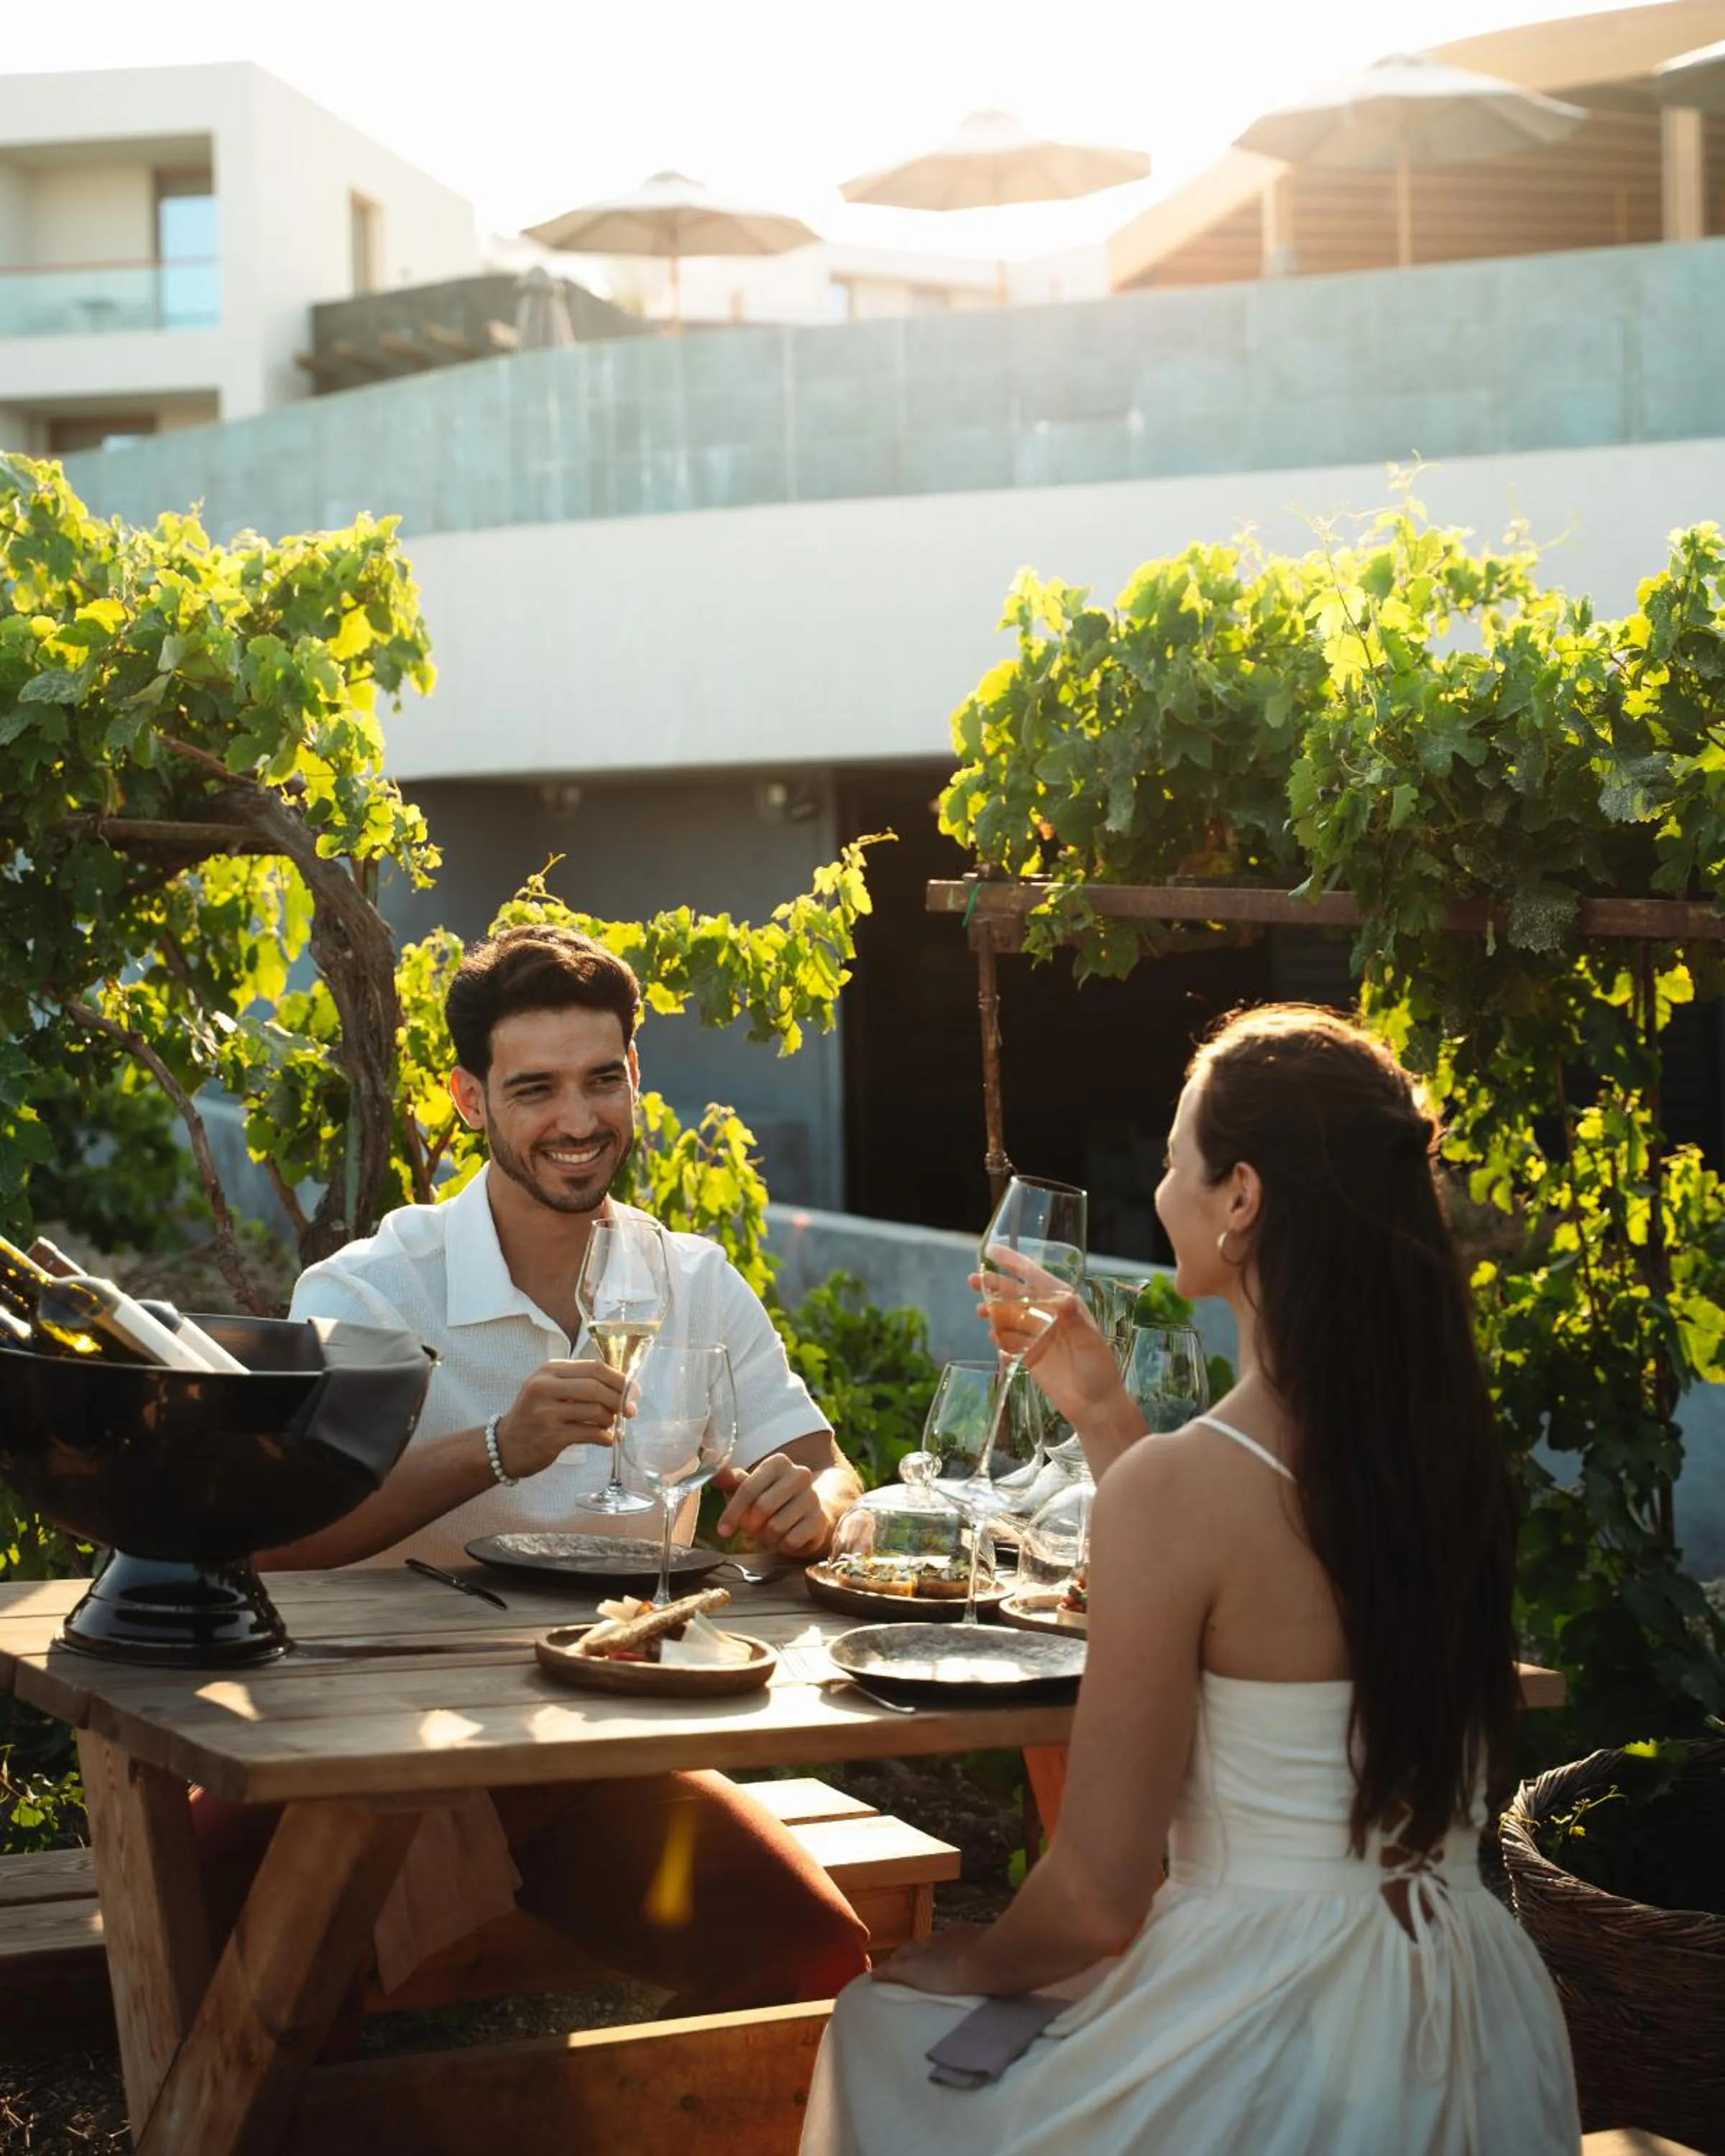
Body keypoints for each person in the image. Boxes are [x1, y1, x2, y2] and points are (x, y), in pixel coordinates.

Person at [801, 1005, 1581, 2156]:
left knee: (880, 2027)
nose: (1161, 1190)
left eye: (1175, 1163)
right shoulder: (1445, 1461)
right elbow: (1260, 1574)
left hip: (1273, 2022)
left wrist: (964, 1957)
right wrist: (1104, 1412)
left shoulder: (1190, 1490)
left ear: (1242, 1197)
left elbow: (1097, 1896)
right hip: (1469, 2005)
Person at [194, 923, 869, 2017]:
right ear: (469, 1100)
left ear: (635, 1075)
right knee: (256, 1978)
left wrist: (815, 1507)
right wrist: (497, 1450)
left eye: (602, 1080)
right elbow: (280, 1541)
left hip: (594, 1743)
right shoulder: (369, 1292)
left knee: (818, 1959)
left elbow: (826, 1468)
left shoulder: (692, 1279)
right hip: (376, 1743)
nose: (579, 1120)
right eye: (535, 1089)